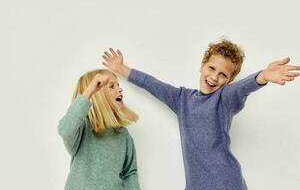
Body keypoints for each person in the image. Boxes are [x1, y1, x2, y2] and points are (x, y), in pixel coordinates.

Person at [102, 39, 300, 190]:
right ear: (202, 65)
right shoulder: (182, 99)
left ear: (229, 80)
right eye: (211, 68)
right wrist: (121, 68)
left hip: (225, 182)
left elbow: (241, 89)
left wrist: (262, 76)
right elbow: (152, 84)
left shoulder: (224, 99)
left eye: (223, 75)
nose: (214, 77)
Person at [58, 69, 141, 190]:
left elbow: (129, 173)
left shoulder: (122, 134)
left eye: (118, 85)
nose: (119, 89)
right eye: (112, 86)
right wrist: (90, 90)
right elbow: (65, 129)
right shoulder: (82, 128)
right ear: (98, 94)